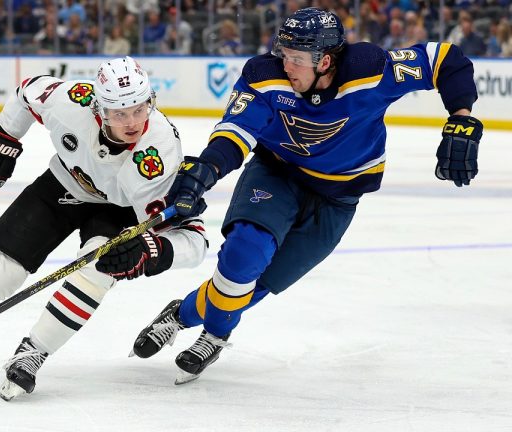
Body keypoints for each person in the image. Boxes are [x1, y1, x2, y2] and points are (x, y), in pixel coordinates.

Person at [130, 7, 482, 384]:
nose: (287, 65)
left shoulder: (370, 69)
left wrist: (461, 115)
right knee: (244, 252)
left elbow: (446, 59)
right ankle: (216, 336)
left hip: (339, 197)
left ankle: (180, 314)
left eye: (297, 59)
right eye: (284, 54)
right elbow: (234, 132)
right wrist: (205, 171)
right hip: (278, 173)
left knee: (257, 284)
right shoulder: (265, 76)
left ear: (326, 61)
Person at [0, 56, 208, 399]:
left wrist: (151, 250)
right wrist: (3, 141)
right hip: (61, 185)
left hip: (119, 210)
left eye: (140, 109)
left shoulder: (158, 154)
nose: (132, 122)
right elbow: (26, 92)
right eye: (119, 113)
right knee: (1, 271)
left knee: (95, 273)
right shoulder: (71, 101)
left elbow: (192, 238)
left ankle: (33, 354)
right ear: (98, 109)